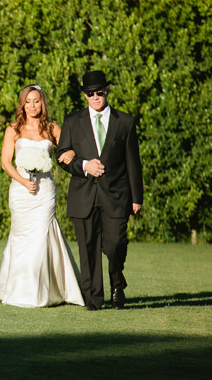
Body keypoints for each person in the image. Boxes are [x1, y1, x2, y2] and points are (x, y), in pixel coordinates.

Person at [56, 70, 144, 311]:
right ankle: (93, 298)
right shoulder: (72, 121)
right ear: (84, 95)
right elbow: (61, 157)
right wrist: (84, 165)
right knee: (88, 248)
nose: (95, 96)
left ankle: (117, 282)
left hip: (117, 195)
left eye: (100, 92)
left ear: (107, 91)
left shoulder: (125, 122)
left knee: (115, 244)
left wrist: (137, 197)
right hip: (83, 195)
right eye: (90, 93)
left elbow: (133, 162)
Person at [0, 84, 84, 308]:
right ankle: (19, 289)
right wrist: (23, 181)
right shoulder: (13, 129)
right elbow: (6, 163)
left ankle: (44, 291)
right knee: (21, 238)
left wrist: (71, 153)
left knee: (42, 237)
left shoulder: (52, 129)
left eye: (36, 101)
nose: (32, 105)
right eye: (28, 101)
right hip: (21, 190)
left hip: (44, 191)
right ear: (22, 104)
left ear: (42, 103)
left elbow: (69, 151)